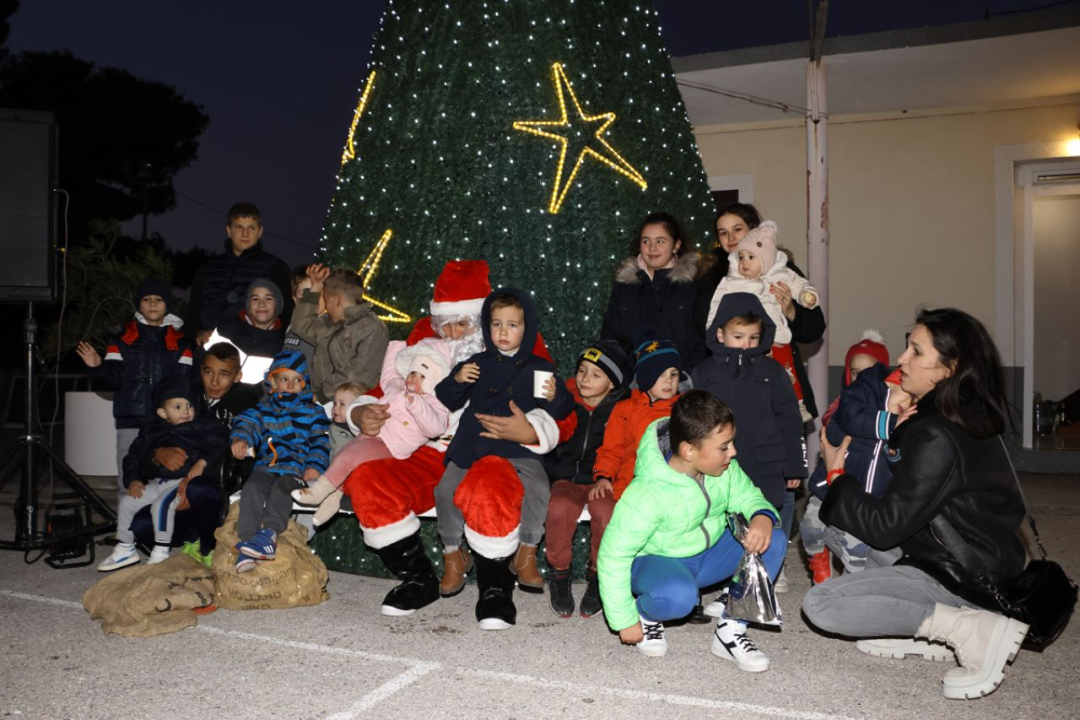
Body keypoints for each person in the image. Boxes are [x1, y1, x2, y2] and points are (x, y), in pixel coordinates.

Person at [802, 308, 1029, 701]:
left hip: (963, 572)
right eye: (907, 347)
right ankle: (920, 626)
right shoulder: (958, 413)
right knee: (841, 529)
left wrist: (838, 476)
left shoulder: (937, 433)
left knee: (821, 604)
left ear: (947, 370)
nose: (902, 359)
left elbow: (885, 525)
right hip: (954, 551)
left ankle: (965, 628)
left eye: (916, 352)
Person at [338, 260, 562, 620]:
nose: (455, 334)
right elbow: (388, 386)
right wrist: (360, 412)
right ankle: (418, 578)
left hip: (490, 447)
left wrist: (532, 430)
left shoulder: (518, 343)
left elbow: (559, 404)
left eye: (465, 323)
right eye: (447, 325)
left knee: (491, 484)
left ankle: (494, 586)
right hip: (426, 448)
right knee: (369, 479)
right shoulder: (425, 340)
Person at [597, 391, 786, 670]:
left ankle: (730, 631)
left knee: (774, 539)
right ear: (688, 451)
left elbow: (749, 497)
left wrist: (761, 516)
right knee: (678, 598)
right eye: (724, 446)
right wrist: (623, 618)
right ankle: (648, 615)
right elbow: (613, 555)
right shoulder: (647, 493)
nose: (733, 452)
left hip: (708, 556)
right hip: (658, 564)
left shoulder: (726, 468)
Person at [433, 287, 575, 628]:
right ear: (487, 327)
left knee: (540, 485)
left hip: (514, 444)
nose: (503, 332)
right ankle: (453, 555)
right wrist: (456, 379)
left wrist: (555, 397)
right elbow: (446, 398)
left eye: (512, 325)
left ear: (527, 329)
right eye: (496, 324)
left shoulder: (539, 367)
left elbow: (561, 410)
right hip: (474, 440)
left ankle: (526, 552)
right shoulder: (477, 362)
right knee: (444, 490)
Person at [693, 293, 806, 614]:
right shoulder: (704, 373)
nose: (745, 344)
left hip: (766, 463)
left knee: (765, 517)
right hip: (721, 466)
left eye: (753, 337)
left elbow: (790, 420)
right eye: (738, 336)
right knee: (721, 523)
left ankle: (749, 582)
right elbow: (692, 421)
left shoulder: (773, 371)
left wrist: (794, 465)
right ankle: (719, 583)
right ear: (720, 333)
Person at [292, 339, 452, 526]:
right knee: (345, 456)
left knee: (350, 456)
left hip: (392, 444)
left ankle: (316, 493)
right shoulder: (398, 386)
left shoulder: (436, 403)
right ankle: (332, 500)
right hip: (374, 433)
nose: (413, 378)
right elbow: (387, 378)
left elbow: (435, 428)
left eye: (422, 376)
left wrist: (417, 404)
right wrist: (395, 348)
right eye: (412, 372)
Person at [129, 343, 260, 561]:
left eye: (224, 375)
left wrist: (190, 479)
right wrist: (157, 454)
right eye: (209, 372)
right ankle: (193, 536)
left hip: (218, 493)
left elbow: (242, 462)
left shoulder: (246, 405)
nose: (214, 382)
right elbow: (145, 439)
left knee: (198, 488)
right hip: (171, 486)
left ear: (237, 376)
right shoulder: (184, 396)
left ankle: (209, 547)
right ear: (201, 371)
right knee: (141, 526)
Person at [695, 203, 827, 419]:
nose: (731, 237)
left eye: (737, 229)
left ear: (754, 228)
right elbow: (702, 323)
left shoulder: (781, 269)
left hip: (780, 377)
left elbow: (814, 328)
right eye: (723, 233)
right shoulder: (713, 277)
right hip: (733, 382)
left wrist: (790, 309)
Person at [96, 376, 229, 571]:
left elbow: (220, 443)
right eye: (177, 407)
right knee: (128, 502)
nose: (185, 411)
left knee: (161, 506)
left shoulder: (202, 425)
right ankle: (125, 548)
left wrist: (202, 462)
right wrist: (134, 479)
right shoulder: (152, 430)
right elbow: (134, 455)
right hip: (159, 481)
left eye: (189, 405)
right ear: (162, 412)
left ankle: (161, 552)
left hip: (183, 483)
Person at [75, 278, 193, 494]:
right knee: (129, 484)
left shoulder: (182, 342)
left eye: (159, 299)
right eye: (147, 299)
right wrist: (97, 367)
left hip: (166, 425)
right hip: (131, 421)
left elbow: (184, 386)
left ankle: (160, 526)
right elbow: (112, 381)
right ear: (139, 305)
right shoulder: (121, 338)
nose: (153, 304)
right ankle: (127, 527)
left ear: (167, 305)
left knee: (167, 483)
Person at [800, 330, 896, 583]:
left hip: (866, 492)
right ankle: (819, 567)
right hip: (831, 482)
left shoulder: (893, 404)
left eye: (869, 372)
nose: (861, 379)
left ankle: (851, 584)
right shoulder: (845, 403)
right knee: (810, 527)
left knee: (855, 545)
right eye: (855, 372)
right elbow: (833, 421)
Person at [542, 340, 628, 619]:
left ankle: (597, 575)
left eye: (596, 374)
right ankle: (560, 573)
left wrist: (609, 478)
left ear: (612, 384)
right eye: (582, 370)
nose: (585, 379)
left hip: (601, 480)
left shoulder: (621, 409)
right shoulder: (563, 398)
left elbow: (626, 449)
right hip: (564, 478)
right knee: (559, 507)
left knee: (606, 511)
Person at [230, 350, 331, 572]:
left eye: (297, 380)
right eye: (284, 379)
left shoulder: (314, 412)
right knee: (252, 488)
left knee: (282, 488)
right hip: (268, 466)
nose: (291, 384)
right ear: (272, 381)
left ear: (304, 384)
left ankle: (269, 534)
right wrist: (241, 438)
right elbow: (247, 422)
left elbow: (321, 439)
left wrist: (315, 463)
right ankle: (247, 543)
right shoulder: (264, 409)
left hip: (297, 470)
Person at [601, 212, 706, 371]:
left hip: (680, 381)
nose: (652, 248)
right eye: (646, 241)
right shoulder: (624, 287)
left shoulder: (691, 286)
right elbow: (611, 338)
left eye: (660, 241)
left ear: (676, 246)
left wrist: (685, 378)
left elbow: (701, 340)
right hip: (634, 384)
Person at [591, 328, 682, 504]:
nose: (669, 380)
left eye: (674, 374)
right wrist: (604, 476)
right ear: (646, 375)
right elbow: (612, 448)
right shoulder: (625, 409)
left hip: (669, 491)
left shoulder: (684, 410)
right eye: (660, 374)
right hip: (628, 487)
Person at [185, 202, 293, 348]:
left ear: (260, 231)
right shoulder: (208, 269)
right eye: (239, 227)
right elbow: (193, 310)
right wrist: (197, 332)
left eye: (251, 228)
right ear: (229, 230)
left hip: (253, 352)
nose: (245, 234)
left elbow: (287, 315)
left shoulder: (276, 268)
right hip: (208, 352)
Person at [288, 264, 389, 404]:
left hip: (350, 407)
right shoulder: (328, 323)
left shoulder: (371, 327)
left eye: (326, 299)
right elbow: (300, 325)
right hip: (323, 402)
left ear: (336, 300)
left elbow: (359, 372)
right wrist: (315, 288)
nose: (325, 307)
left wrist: (321, 394)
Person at [216, 278, 287, 360]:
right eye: (255, 299)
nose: (261, 304)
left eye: (268, 299)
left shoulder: (284, 343)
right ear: (248, 307)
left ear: (277, 306)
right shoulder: (227, 330)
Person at [283, 265, 317, 365]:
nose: (310, 298)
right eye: (305, 293)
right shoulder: (292, 324)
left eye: (315, 292)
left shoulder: (326, 327)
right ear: (294, 298)